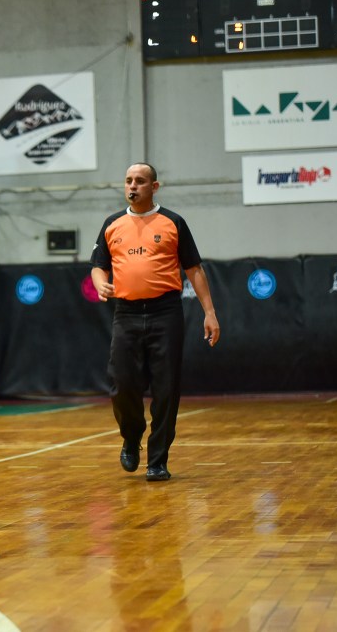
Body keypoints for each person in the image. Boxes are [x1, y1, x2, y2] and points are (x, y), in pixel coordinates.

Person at [90, 162, 220, 481]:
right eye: (128, 181)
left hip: (166, 312)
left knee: (166, 388)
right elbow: (98, 266)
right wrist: (100, 282)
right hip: (126, 314)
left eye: (140, 181)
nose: (132, 186)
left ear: (154, 187)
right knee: (121, 384)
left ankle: (158, 460)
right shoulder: (112, 224)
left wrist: (210, 312)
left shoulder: (174, 222)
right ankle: (131, 437)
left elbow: (194, 269)